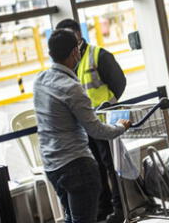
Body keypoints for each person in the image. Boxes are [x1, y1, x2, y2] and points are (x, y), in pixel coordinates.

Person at [33, 29, 131, 223]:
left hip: (52, 166)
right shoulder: (72, 88)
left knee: (72, 218)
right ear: (74, 53)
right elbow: (96, 130)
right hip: (77, 167)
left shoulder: (39, 81)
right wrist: (121, 126)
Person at [55, 19, 127, 223]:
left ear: (79, 34)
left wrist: (108, 105)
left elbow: (119, 82)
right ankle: (102, 209)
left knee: (111, 166)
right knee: (95, 169)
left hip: (103, 122)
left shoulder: (98, 55)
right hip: (83, 126)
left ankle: (120, 208)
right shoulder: (68, 62)